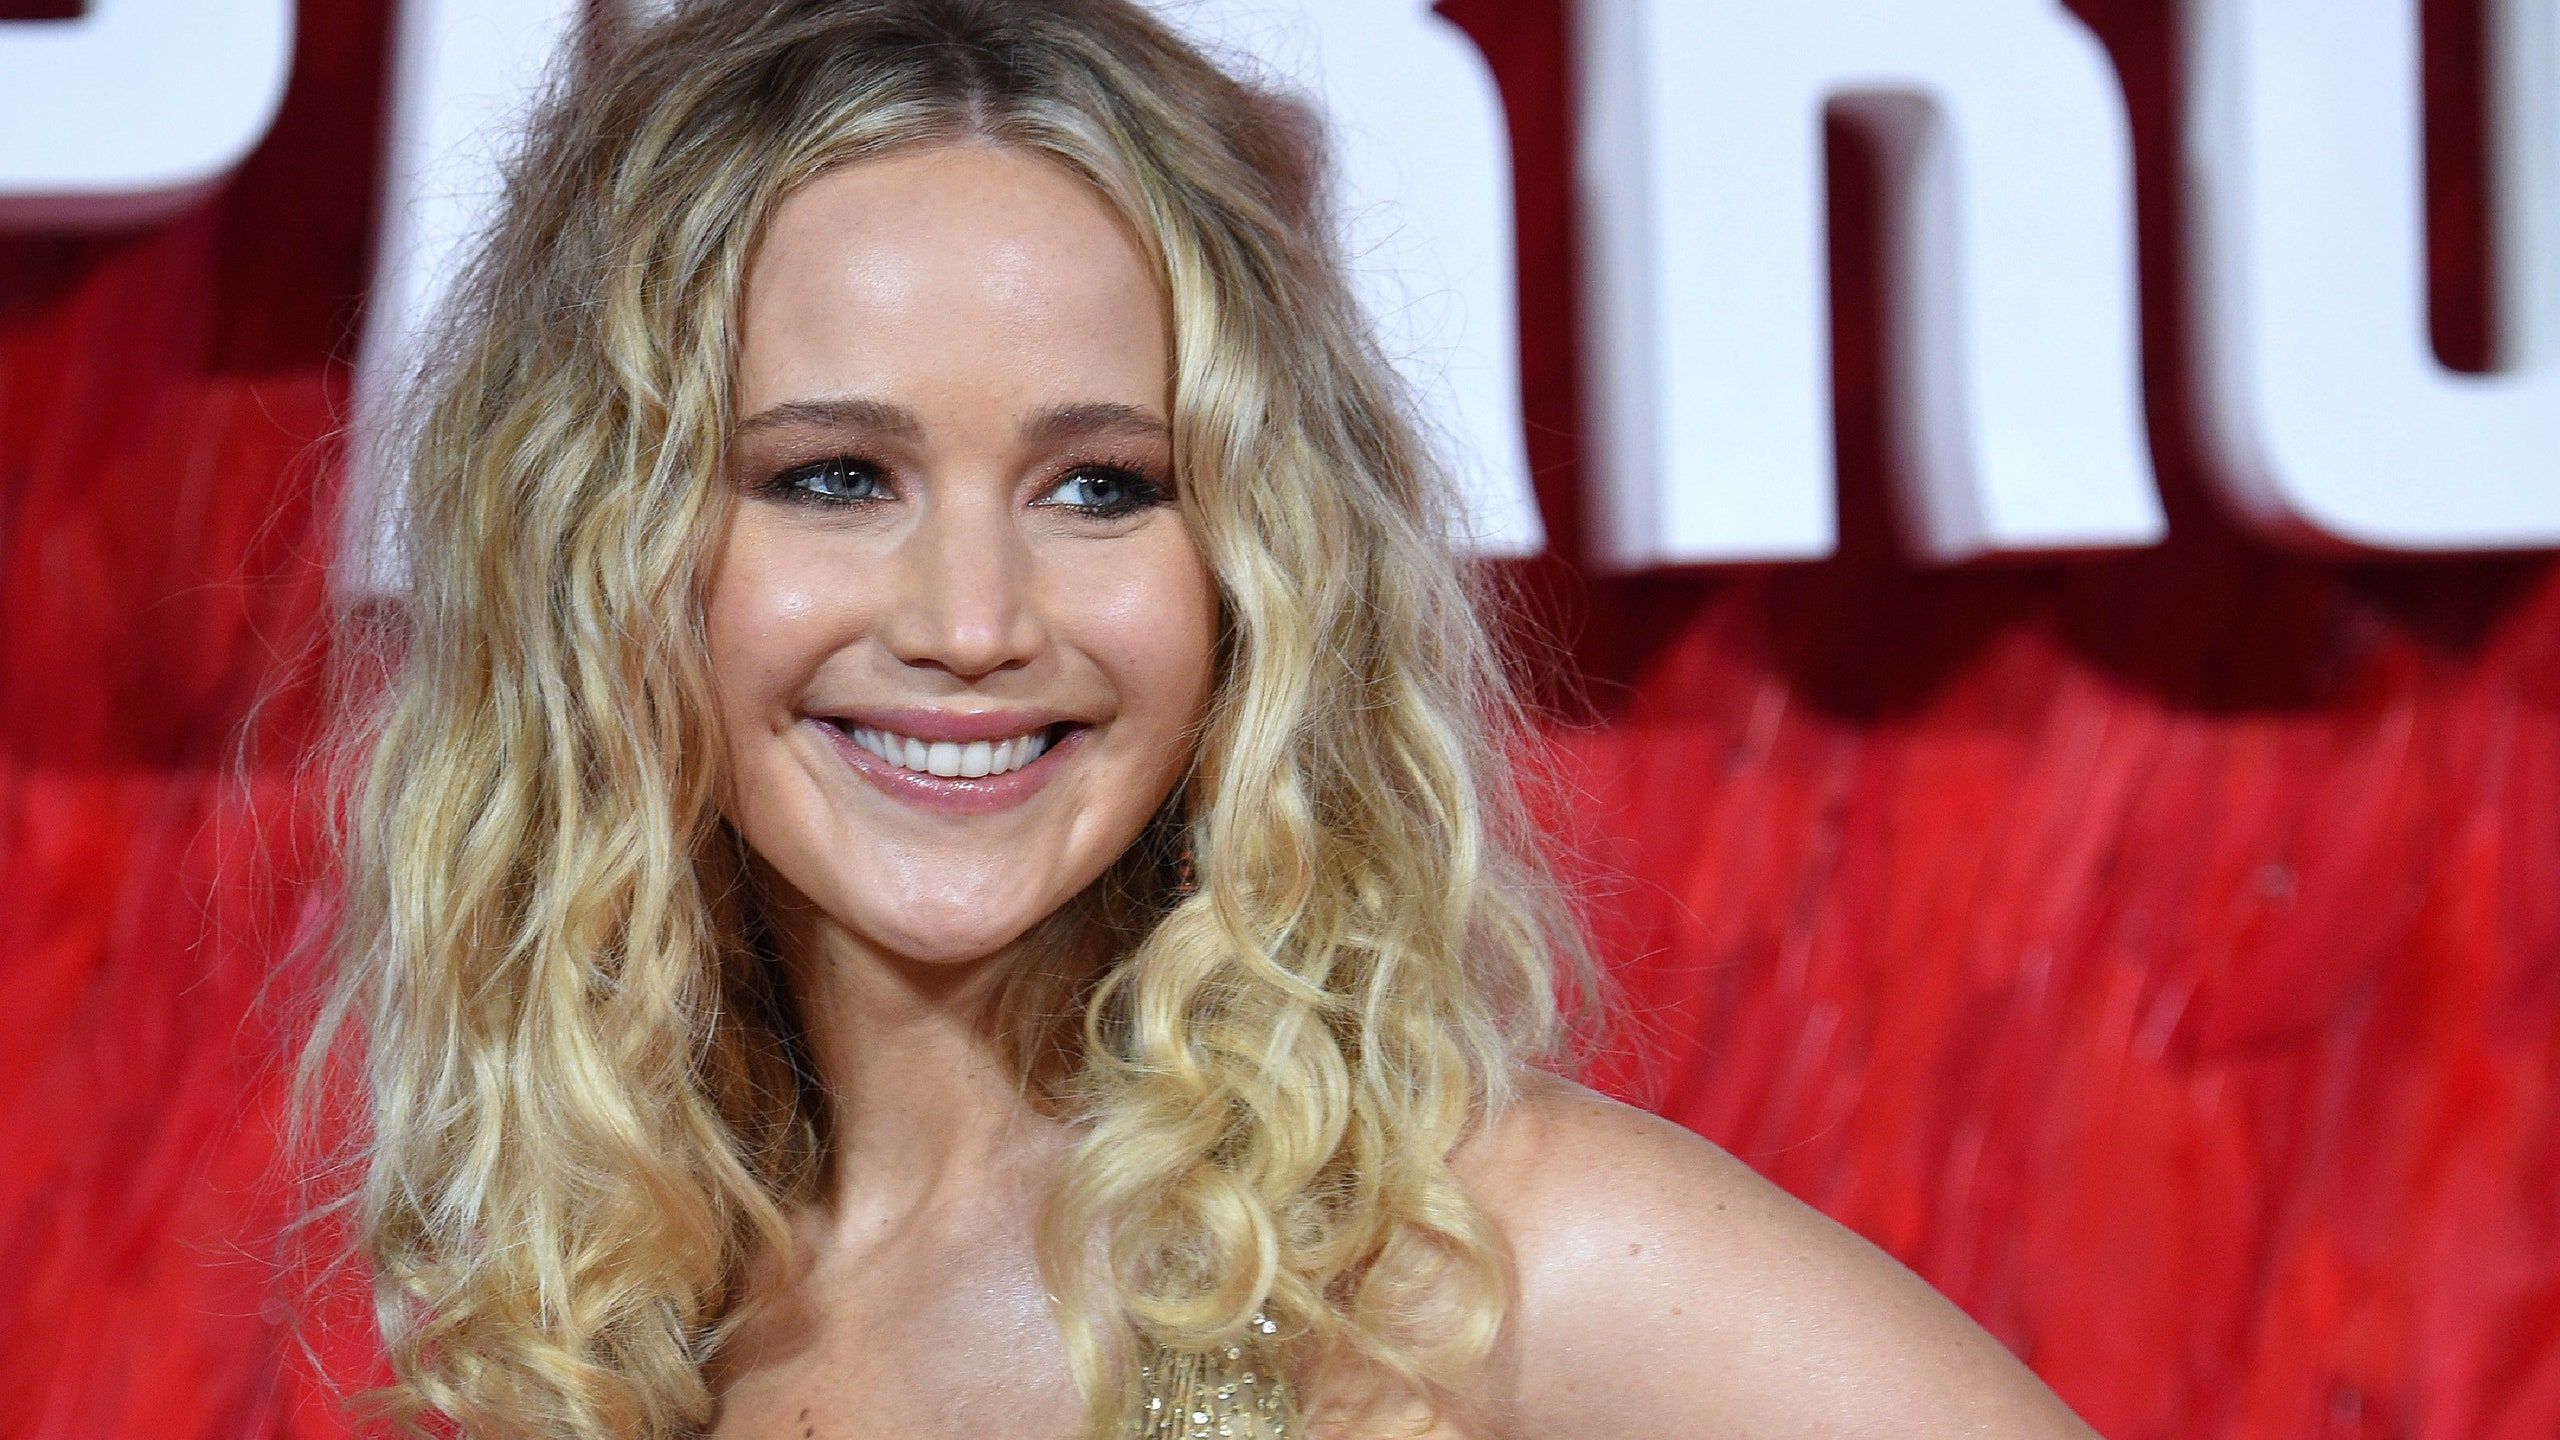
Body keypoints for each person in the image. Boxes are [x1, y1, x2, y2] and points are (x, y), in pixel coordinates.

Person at [293, 2, 2107, 1437]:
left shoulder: (1468, 1261)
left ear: (1253, 565)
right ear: (596, 555)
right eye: (835, 476)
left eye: (1101, 489)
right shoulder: (633, 1315)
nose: (972, 623)